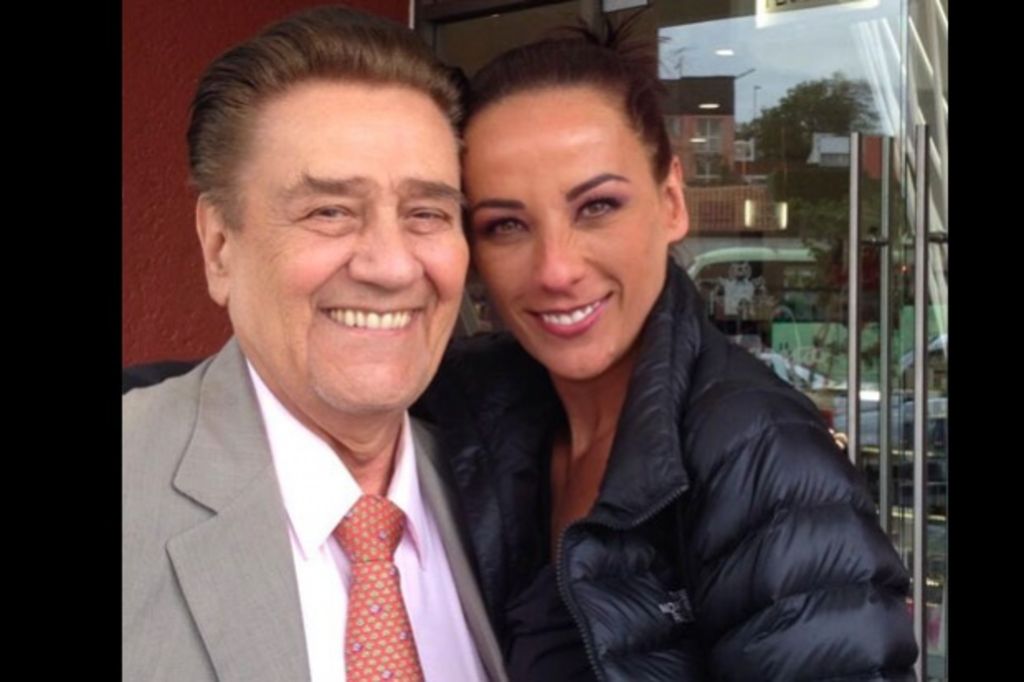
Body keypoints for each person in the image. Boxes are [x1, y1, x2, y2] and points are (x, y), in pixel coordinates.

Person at [417, 24, 919, 681]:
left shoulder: (761, 459)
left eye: (597, 206)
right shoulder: (470, 414)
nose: (556, 270)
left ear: (672, 202)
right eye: (506, 225)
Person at [122, 7, 506, 681]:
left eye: (426, 213)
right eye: (329, 211)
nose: (392, 266)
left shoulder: (509, 488)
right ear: (219, 246)